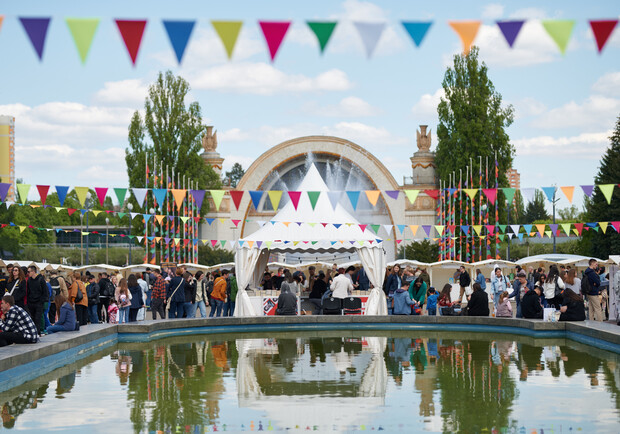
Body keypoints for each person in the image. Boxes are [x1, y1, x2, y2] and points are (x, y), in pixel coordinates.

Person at [26, 266, 49, 335]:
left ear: (33, 272)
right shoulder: (29, 280)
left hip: (39, 302)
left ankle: (37, 332)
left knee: (38, 318)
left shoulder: (40, 279)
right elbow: (29, 291)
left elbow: (45, 291)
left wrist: (42, 300)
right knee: (32, 318)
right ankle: (33, 332)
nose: (28, 273)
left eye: (29, 272)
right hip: (31, 302)